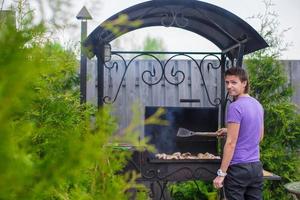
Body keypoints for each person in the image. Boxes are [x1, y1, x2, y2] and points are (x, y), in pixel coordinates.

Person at [213, 67, 264, 200]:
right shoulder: (257, 104)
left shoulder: (235, 107)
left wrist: (221, 173)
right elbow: (259, 136)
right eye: (227, 82)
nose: (229, 86)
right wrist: (229, 130)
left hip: (238, 169)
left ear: (244, 83)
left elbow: (230, 143)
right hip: (256, 168)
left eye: (234, 82)